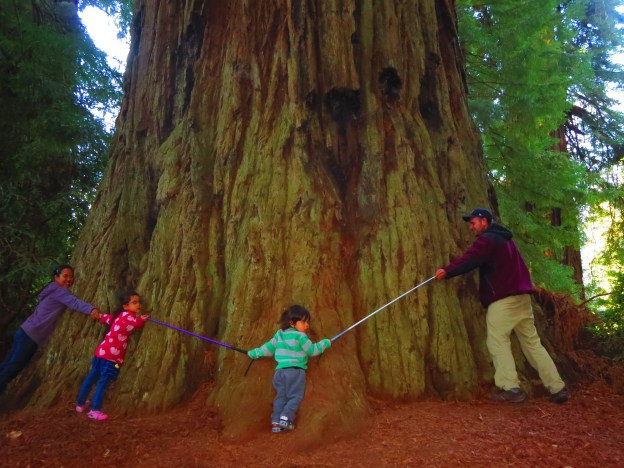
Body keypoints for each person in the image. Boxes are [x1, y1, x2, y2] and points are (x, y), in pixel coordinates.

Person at [435, 208, 568, 404]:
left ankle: (510, 388)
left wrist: (447, 271)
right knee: (532, 343)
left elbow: (470, 259)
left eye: (473, 223)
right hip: (522, 299)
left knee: (497, 340)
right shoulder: (507, 241)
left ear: (484, 221)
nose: (471, 227)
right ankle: (557, 388)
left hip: (505, 300)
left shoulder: (488, 240)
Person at [0, 265, 100, 395]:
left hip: (24, 331)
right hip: (30, 336)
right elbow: (74, 302)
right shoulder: (60, 291)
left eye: (71, 277)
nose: (69, 279)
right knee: (12, 369)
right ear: (56, 277)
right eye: (65, 276)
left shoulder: (52, 289)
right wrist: (91, 309)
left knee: (6, 365)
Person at [248, 305, 331, 432]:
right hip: (295, 372)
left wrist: (254, 353)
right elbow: (312, 351)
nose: (307, 325)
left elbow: (268, 348)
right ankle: (286, 418)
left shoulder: (279, 335)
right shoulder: (301, 337)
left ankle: (276, 422)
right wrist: (325, 343)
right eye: (303, 322)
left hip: (279, 373)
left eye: (307, 322)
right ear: (292, 323)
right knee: (295, 396)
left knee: (281, 396)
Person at [76, 290, 149, 421]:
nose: (138, 305)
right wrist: (142, 320)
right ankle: (95, 410)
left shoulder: (119, 315)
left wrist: (99, 316)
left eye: (139, 302)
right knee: (103, 383)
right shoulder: (129, 317)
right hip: (111, 358)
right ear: (126, 306)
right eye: (134, 302)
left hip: (101, 352)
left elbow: (107, 318)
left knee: (92, 377)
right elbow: (135, 324)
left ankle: (80, 404)